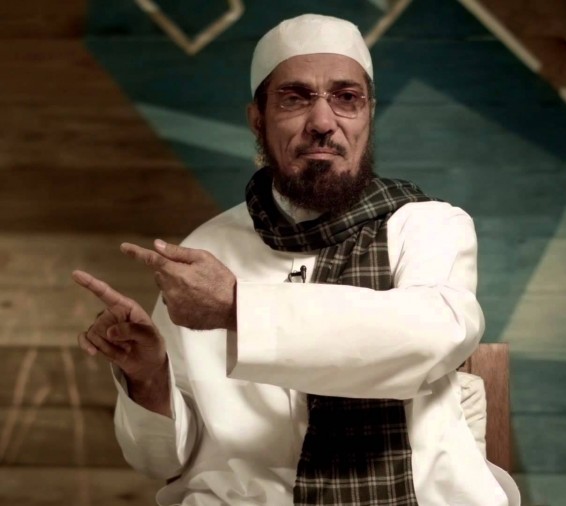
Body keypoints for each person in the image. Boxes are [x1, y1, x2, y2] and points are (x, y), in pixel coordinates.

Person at [71, 13, 520, 506]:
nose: (323, 123)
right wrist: (148, 377)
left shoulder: (428, 225)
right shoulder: (208, 252)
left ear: (368, 115)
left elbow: (430, 336)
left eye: (346, 98)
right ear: (257, 119)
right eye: (296, 98)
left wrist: (237, 308)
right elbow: (160, 462)